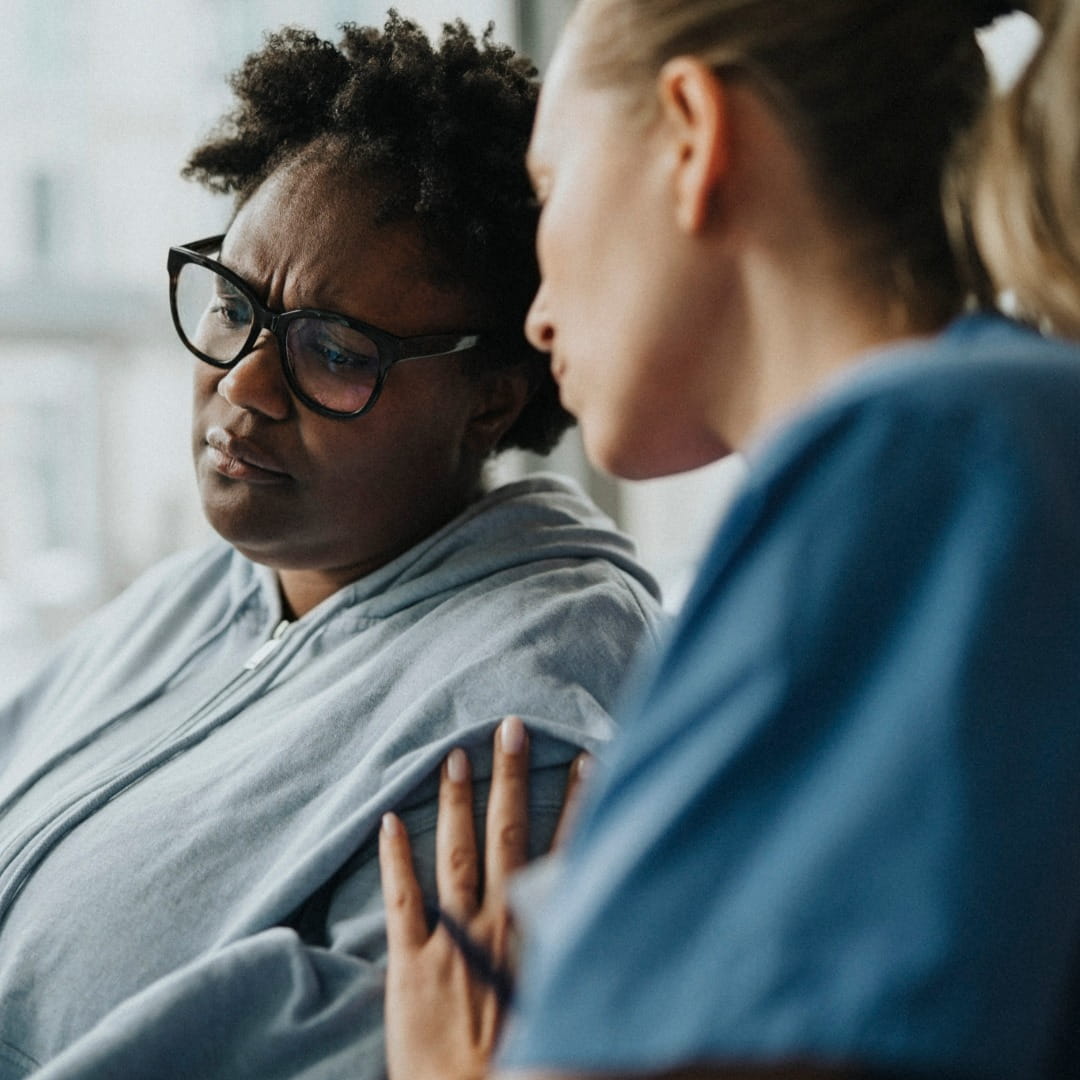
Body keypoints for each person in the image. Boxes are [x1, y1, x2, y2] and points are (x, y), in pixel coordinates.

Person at [378, 1, 1080, 1077]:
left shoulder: (930, 456)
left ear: (693, 133)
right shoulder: (984, 449)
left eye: (549, 192)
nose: (535, 316)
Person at [0, 13, 663, 1080]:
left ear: (490, 403)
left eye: (334, 352)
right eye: (233, 307)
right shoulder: (206, 592)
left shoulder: (533, 721)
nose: (244, 385)